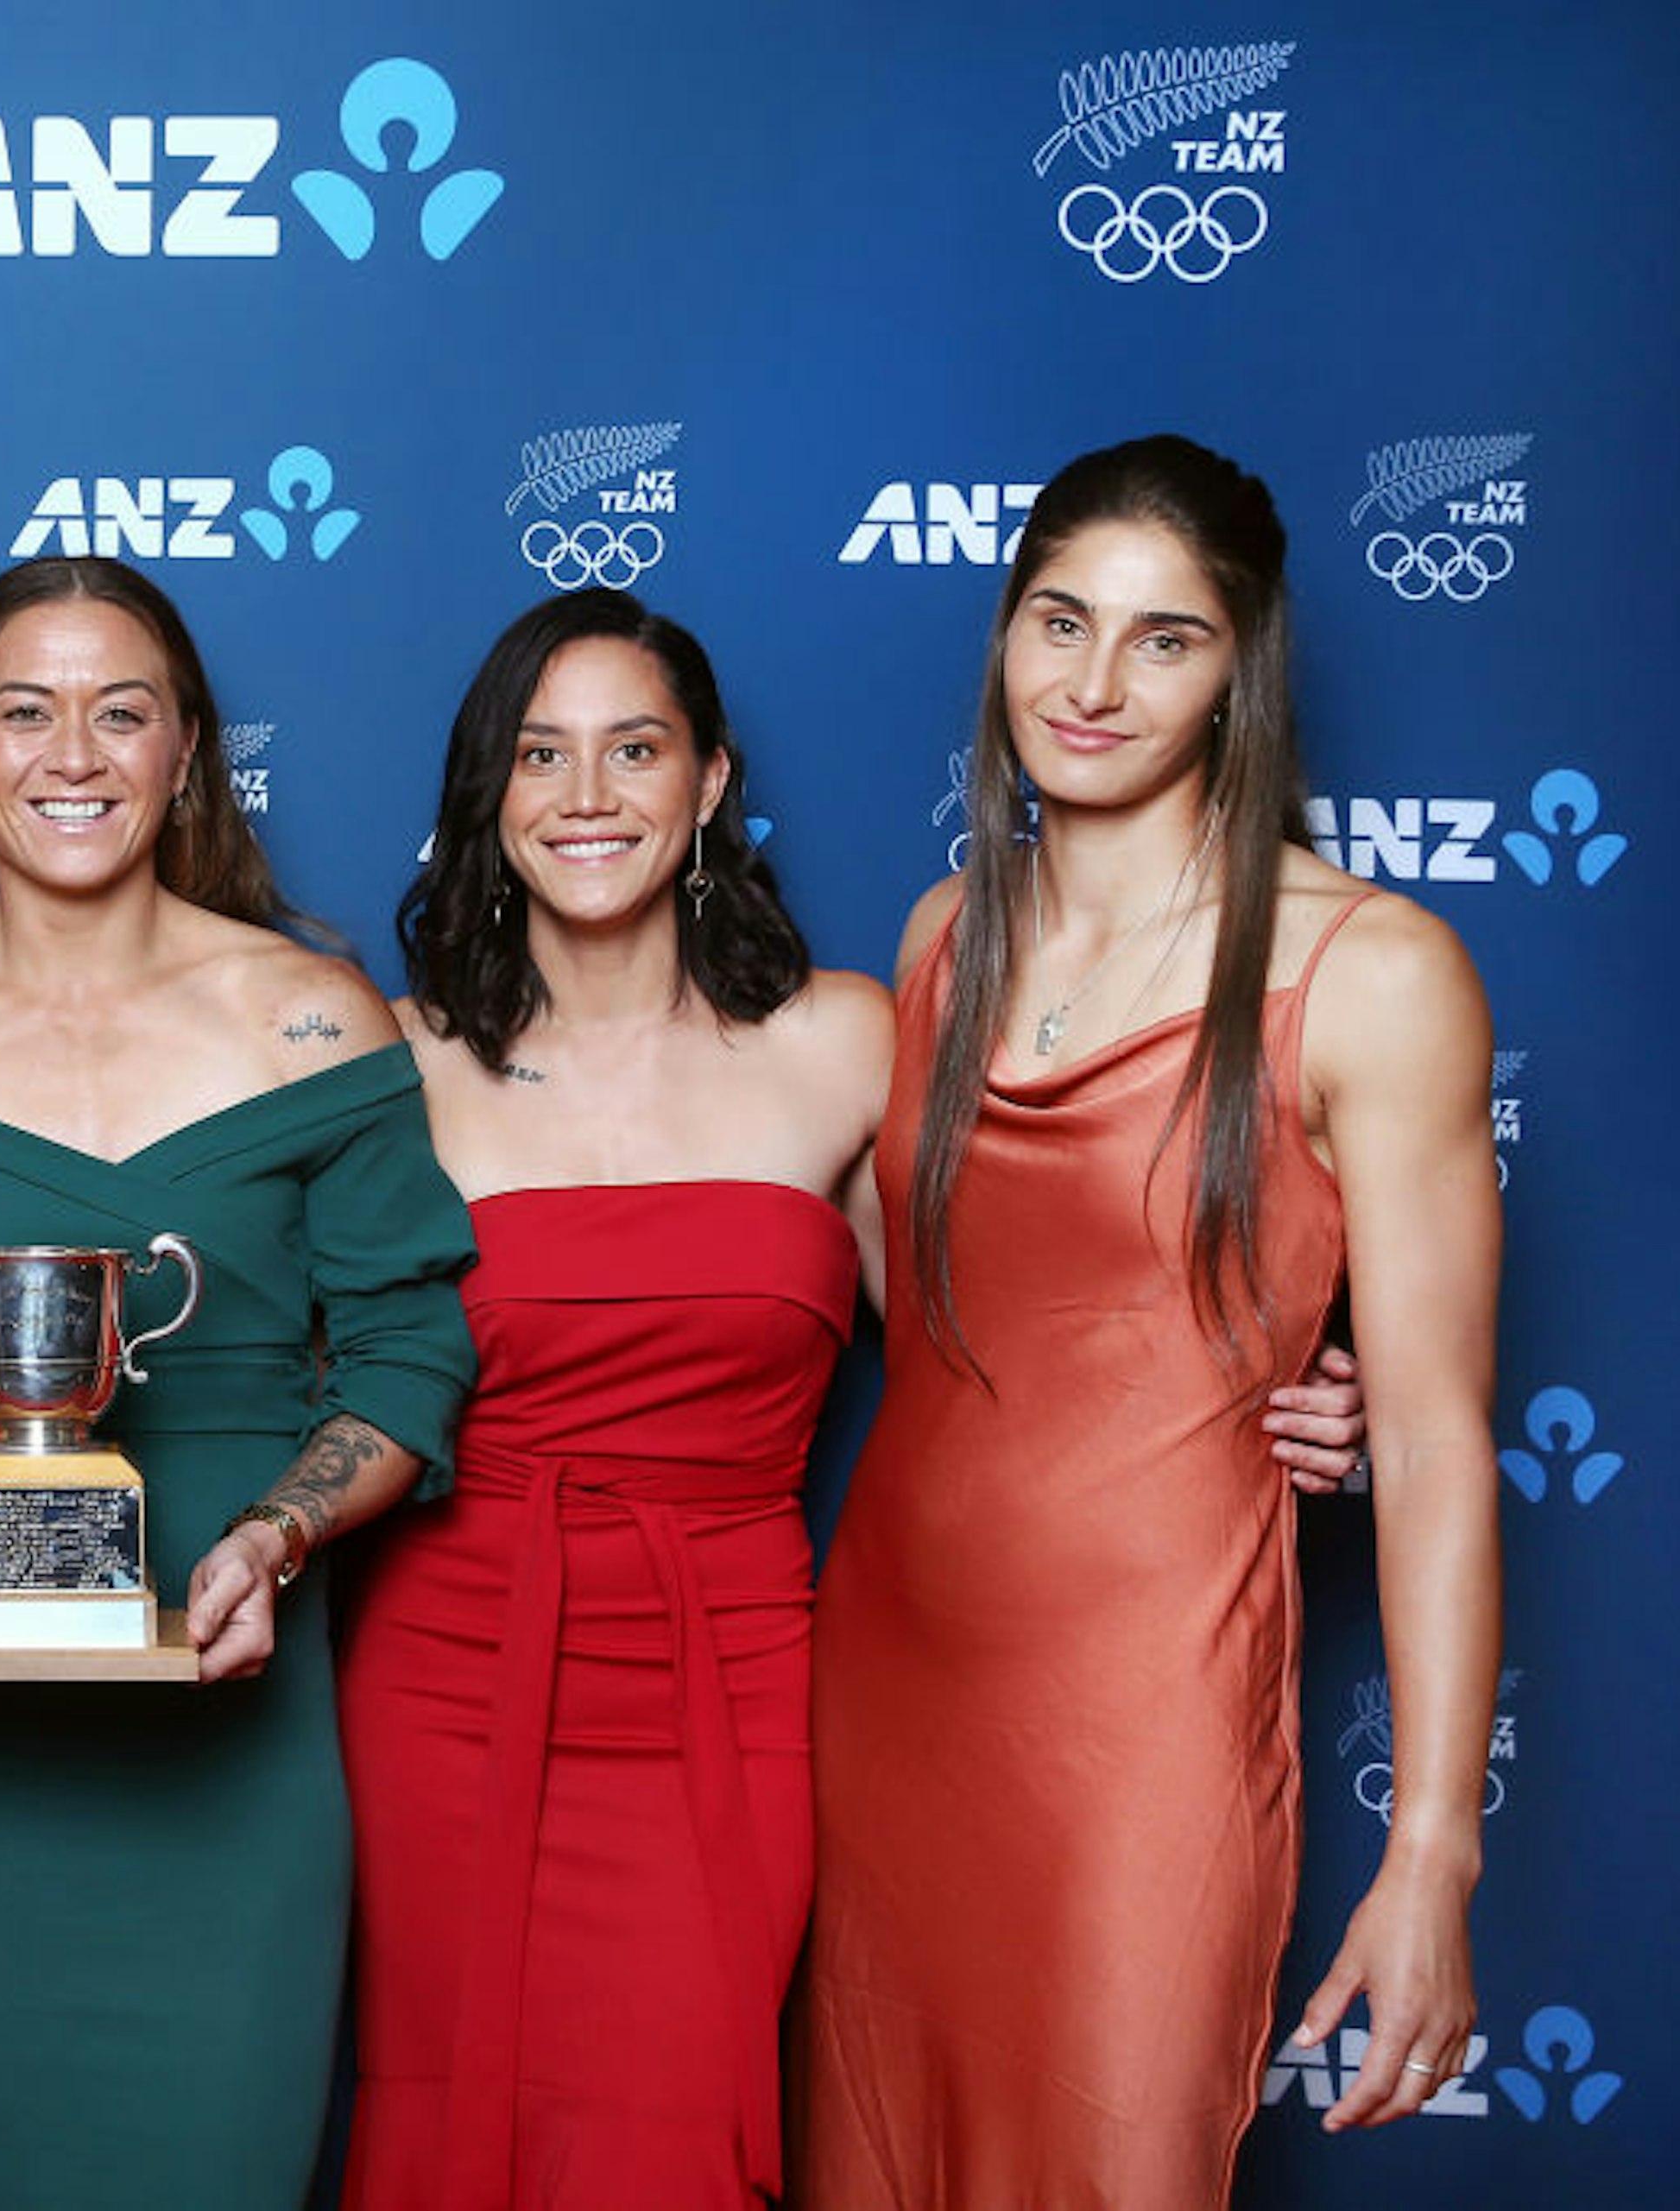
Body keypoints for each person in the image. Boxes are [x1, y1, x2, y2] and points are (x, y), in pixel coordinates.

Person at [340, 588, 1367, 2211]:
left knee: (682, 2131)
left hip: (728, 1682)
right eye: (540, 755)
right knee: (450, 2116)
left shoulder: (841, 1040)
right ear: (489, 799)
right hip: (444, 1677)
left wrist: (1269, 1378)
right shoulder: (389, 1067)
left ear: (709, 784)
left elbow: (1007, 1334)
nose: (587, 793)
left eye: (635, 749)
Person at [800, 433, 1503, 2205]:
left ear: (1239, 671)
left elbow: (1428, 1440)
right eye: (1060, 621)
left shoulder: (1374, 973)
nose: (1094, 685)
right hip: (884, 1685)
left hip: (1144, 1729)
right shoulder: (946, 935)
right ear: (1003, 633)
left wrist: (1431, 1855)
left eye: (1164, 640)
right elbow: (953, 1311)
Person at [0, 555, 478, 2210]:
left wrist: (276, 1539)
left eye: (121, 710)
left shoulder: (314, 1018)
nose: (71, 751)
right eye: (25, 709)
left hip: (231, 1756)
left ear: (185, 754)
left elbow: (405, 1355)